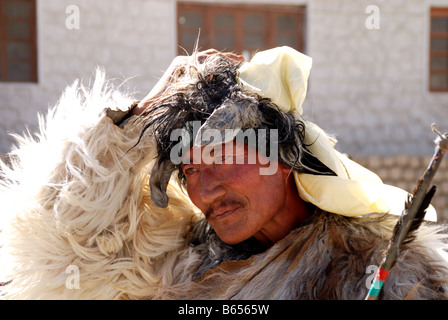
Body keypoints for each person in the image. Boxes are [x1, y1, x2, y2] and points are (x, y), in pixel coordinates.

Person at [0, 47, 447, 300]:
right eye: (190, 168)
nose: (204, 189)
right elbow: (57, 248)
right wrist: (136, 122)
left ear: (282, 155)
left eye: (223, 158)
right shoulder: (186, 262)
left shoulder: (388, 271)